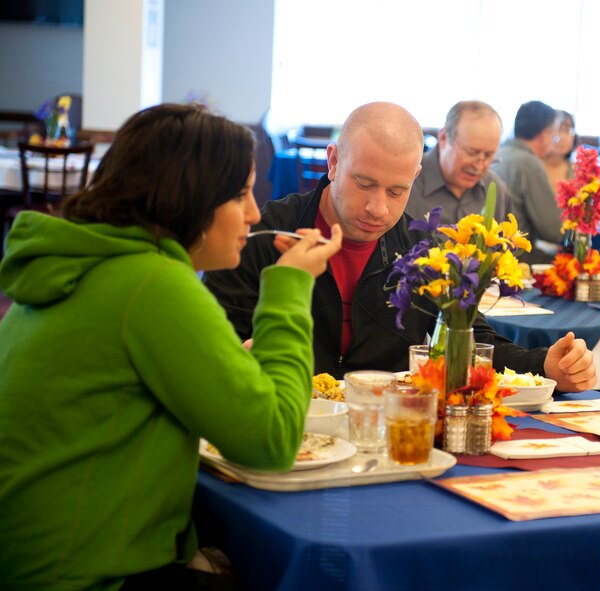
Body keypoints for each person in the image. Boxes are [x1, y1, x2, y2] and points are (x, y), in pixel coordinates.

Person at [0, 103, 343, 590]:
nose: (253, 212)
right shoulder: (154, 283)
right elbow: (273, 441)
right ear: (192, 198)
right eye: (242, 193)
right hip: (81, 574)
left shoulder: (83, 262)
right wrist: (289, 291)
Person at [204, 102, 597, 392]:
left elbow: (473, 340)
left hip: (387, 429)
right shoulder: (264, 233)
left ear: (415, 177)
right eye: (363, 183)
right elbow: (214, 344)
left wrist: (545, 365)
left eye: (397, 191)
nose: (378, 208)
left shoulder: (423, 248)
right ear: (333, 162)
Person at [406, 100, 513, 224]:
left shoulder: (496, 191)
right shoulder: (408, 182)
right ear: (443, 138)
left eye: (489, 156)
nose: (480, 165)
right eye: (471, 152)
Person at [490, 100, 565, 264]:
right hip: (515, 258)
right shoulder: (529, 163)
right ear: (544, 135)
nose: (554, 140)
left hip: (488, 253)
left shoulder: (498, 153)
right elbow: (553, 230)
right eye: (554, 134)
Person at [543, 110, 579, 192]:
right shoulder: (533, 167)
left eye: (568, 130)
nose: (563, 137)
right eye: (559, 130)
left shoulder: (577, 171)